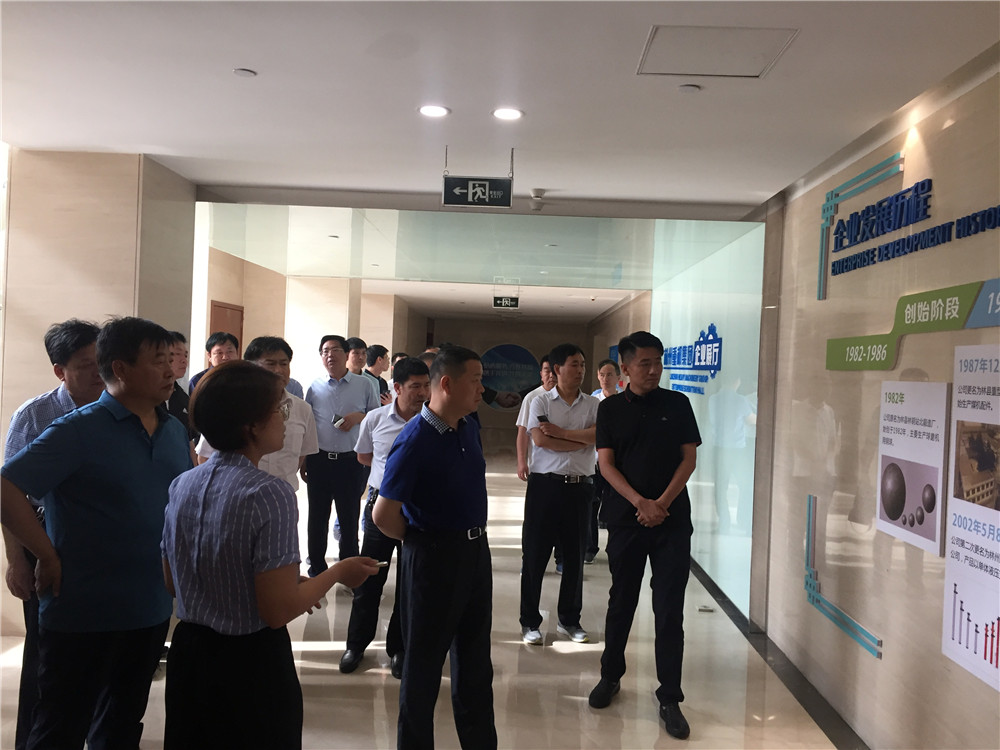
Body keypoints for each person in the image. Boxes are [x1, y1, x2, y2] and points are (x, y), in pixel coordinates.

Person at [161, 361, 378, 750]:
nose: (285, 418)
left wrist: (279, 580)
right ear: (252, 426)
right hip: (249, 662)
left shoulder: (183, 483)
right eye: (278, 409)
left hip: (190, 655)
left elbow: (173, 581)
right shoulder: (269, 492)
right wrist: (337, 572)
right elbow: (278, 610)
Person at [0, 316, 193, 749]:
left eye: (172, 360)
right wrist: (44, 555)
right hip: (83, 609)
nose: (170, 371)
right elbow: (6, 488)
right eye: (158, 361)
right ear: (120, 368)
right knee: (61, 726)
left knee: (122, 723)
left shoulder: (173, 430)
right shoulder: (78, 429)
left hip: (148, 606)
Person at [374, 346, 497, 750]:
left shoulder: (468, 426)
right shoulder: (414, 440)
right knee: (423, 667)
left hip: (475, 554)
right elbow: (383, 514)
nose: (482, 389)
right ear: (446, 383)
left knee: (475, 663)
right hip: (433, 559)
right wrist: (423, 542)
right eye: (475, 380)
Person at [588, 331, 701, 741]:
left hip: (671, 521)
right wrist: (640, 502)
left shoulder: (678, 403)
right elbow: (606, 464)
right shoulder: (610, 409)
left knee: (669, 610)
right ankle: (610, 676)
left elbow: (689, 459)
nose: (654, 370)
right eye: (645, 364)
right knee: (622, 602)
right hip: (625, 519)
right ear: (625, 368)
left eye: (658, 362)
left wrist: (661, 504)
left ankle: (670, 696)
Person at [2, 319, 103, 750]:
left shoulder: (120, 410)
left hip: (99, 542)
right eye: (85, 365)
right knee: (46, 654)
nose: (98, 372)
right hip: (44, 539)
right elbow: (10, 494)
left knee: (99, 649)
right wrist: (17, 560)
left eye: (101, 361)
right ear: (60, 371)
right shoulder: (35, 415)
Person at [341, 357, 431, 678]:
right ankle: (356, 645)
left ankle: (399, 648)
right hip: (380, 506)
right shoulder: (375, 419)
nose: (422, 392)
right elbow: (364, 456)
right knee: (370, 577)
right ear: (397, 388)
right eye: (415, 386)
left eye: (426, 385)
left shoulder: (433, 423)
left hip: (417, 510)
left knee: (409, 582)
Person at [520, 344, 598, 646]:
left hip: (580, 487)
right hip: (545, 486)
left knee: (575, 557)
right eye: (574, 364)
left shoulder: (593, 404)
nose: (580, 370)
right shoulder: (539, 401)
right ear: (557, 369)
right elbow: (541, 440)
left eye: (582, 364)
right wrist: (580, 441)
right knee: (535, 556)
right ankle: (530, 622)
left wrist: (562, 433)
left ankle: (569, 620)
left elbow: (597, 436)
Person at [195, 336, 318, 491]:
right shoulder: (230, 405)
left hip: (283, 494)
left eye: (284, 364)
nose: (279, 370)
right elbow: (205, 457)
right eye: (270, 364)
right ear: (251, 367)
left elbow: (301, 455)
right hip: (236, 493)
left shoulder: (303, 409)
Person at [303, 335, 379, 571]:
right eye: (324, 351)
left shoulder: (364, 385)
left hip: (350, 462)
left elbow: (377, 418)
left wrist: (359, 417)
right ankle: (316, 567)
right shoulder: (314, 387)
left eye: (335, 350)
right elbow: (308, 425)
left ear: (346, 355)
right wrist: (304, 459)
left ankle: (348, 568)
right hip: (319, 460)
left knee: (349, 517)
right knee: (317, 517)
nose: (329, 355)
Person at [587, 357, 622, 562]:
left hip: (617, 464)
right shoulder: (593, 401)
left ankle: (615, 548)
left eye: (610, 375)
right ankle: (590, 548)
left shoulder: (625, 401)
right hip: (594, 462)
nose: (605, 378)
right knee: (591, 505)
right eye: (602, 375)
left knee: (614, 505)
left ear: (618, 377)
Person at [166, 330, 199, 443]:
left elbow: (189, 442)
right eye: (177, 354)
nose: (184, 360)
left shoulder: (183, 397)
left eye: (185, 355)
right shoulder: (146, 397)